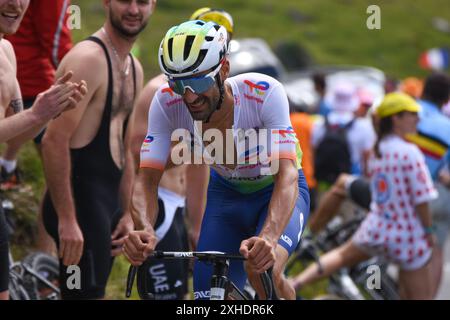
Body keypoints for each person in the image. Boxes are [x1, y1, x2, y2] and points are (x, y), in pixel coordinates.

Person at [123, 20, 310, 300]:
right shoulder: (165, 102)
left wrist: (269, 237)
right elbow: (146, 180)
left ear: (223, 69)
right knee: (207, 297)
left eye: (197, 80)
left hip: (276, 189)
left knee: (262, 271)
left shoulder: (264, 93)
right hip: (226, 196)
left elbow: (287, 175)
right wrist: (144, 228)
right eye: (178, 83)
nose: (189, 95)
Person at [41, 0, 156, 300]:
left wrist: (127, 213)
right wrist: (68, 219)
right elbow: (54, 141)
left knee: (93, 292)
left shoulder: (134, 67)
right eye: (124, 1)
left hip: (105, 206)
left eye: (142, 2)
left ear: (153, 6)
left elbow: (125, 147)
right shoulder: (88, 60)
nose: (133, 9)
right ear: (106, 2)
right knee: (81, 293)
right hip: (77, 207)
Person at [126, 7, 234, 300]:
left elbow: (199, 166)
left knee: (193, 294)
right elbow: (137, 154)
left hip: (183, 203)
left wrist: (197, 223)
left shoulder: (214, 96)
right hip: (160, 200)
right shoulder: (159, 92)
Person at [290, 93, 439, 299]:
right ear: (396, 118)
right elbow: (422, 197)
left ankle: (295, 283)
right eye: (412, 114)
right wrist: (429, 230)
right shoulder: (410, 152)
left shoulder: (378, 150)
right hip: (407, 234)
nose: (417, 119)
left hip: (378, 227)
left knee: (341, 255)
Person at [0, 0, 86, 300]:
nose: (17, 4)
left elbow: (15, 129)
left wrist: (50, 110)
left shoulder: (7, 50)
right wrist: (38, 113)